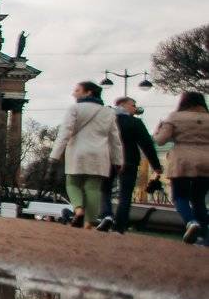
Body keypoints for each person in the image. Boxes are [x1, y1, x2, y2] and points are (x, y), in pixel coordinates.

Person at [49, 80, 123, 229]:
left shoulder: (74, 109)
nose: (73, 93)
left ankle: (78, 210)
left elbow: (65, 133)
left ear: (89, 92)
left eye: (77, 90)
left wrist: (54, 156)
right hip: (100, 154)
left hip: (78, 152)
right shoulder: (108, 112)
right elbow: (114, 139)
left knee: (72, 183)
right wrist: (117, 160)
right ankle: (89, 223)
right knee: (93, 188)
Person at [98, 96, 163, 233]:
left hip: (107, 159)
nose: (135, 108)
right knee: (126, 193)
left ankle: (106, 215)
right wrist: (156, 166)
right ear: (124, 105)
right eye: (133, 105)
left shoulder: (106, 120)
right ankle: (119, 225)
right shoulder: (135, 122)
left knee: (105, 189)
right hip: (129, 160)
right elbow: (147, 144)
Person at [153, 90, 209, 245]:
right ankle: (204, 238)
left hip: (182, 161)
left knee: (180, 196)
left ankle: (191, 222)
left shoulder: (175, 117)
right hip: (206, 161)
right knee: (199, 199)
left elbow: (160, 141)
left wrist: (157, 130)